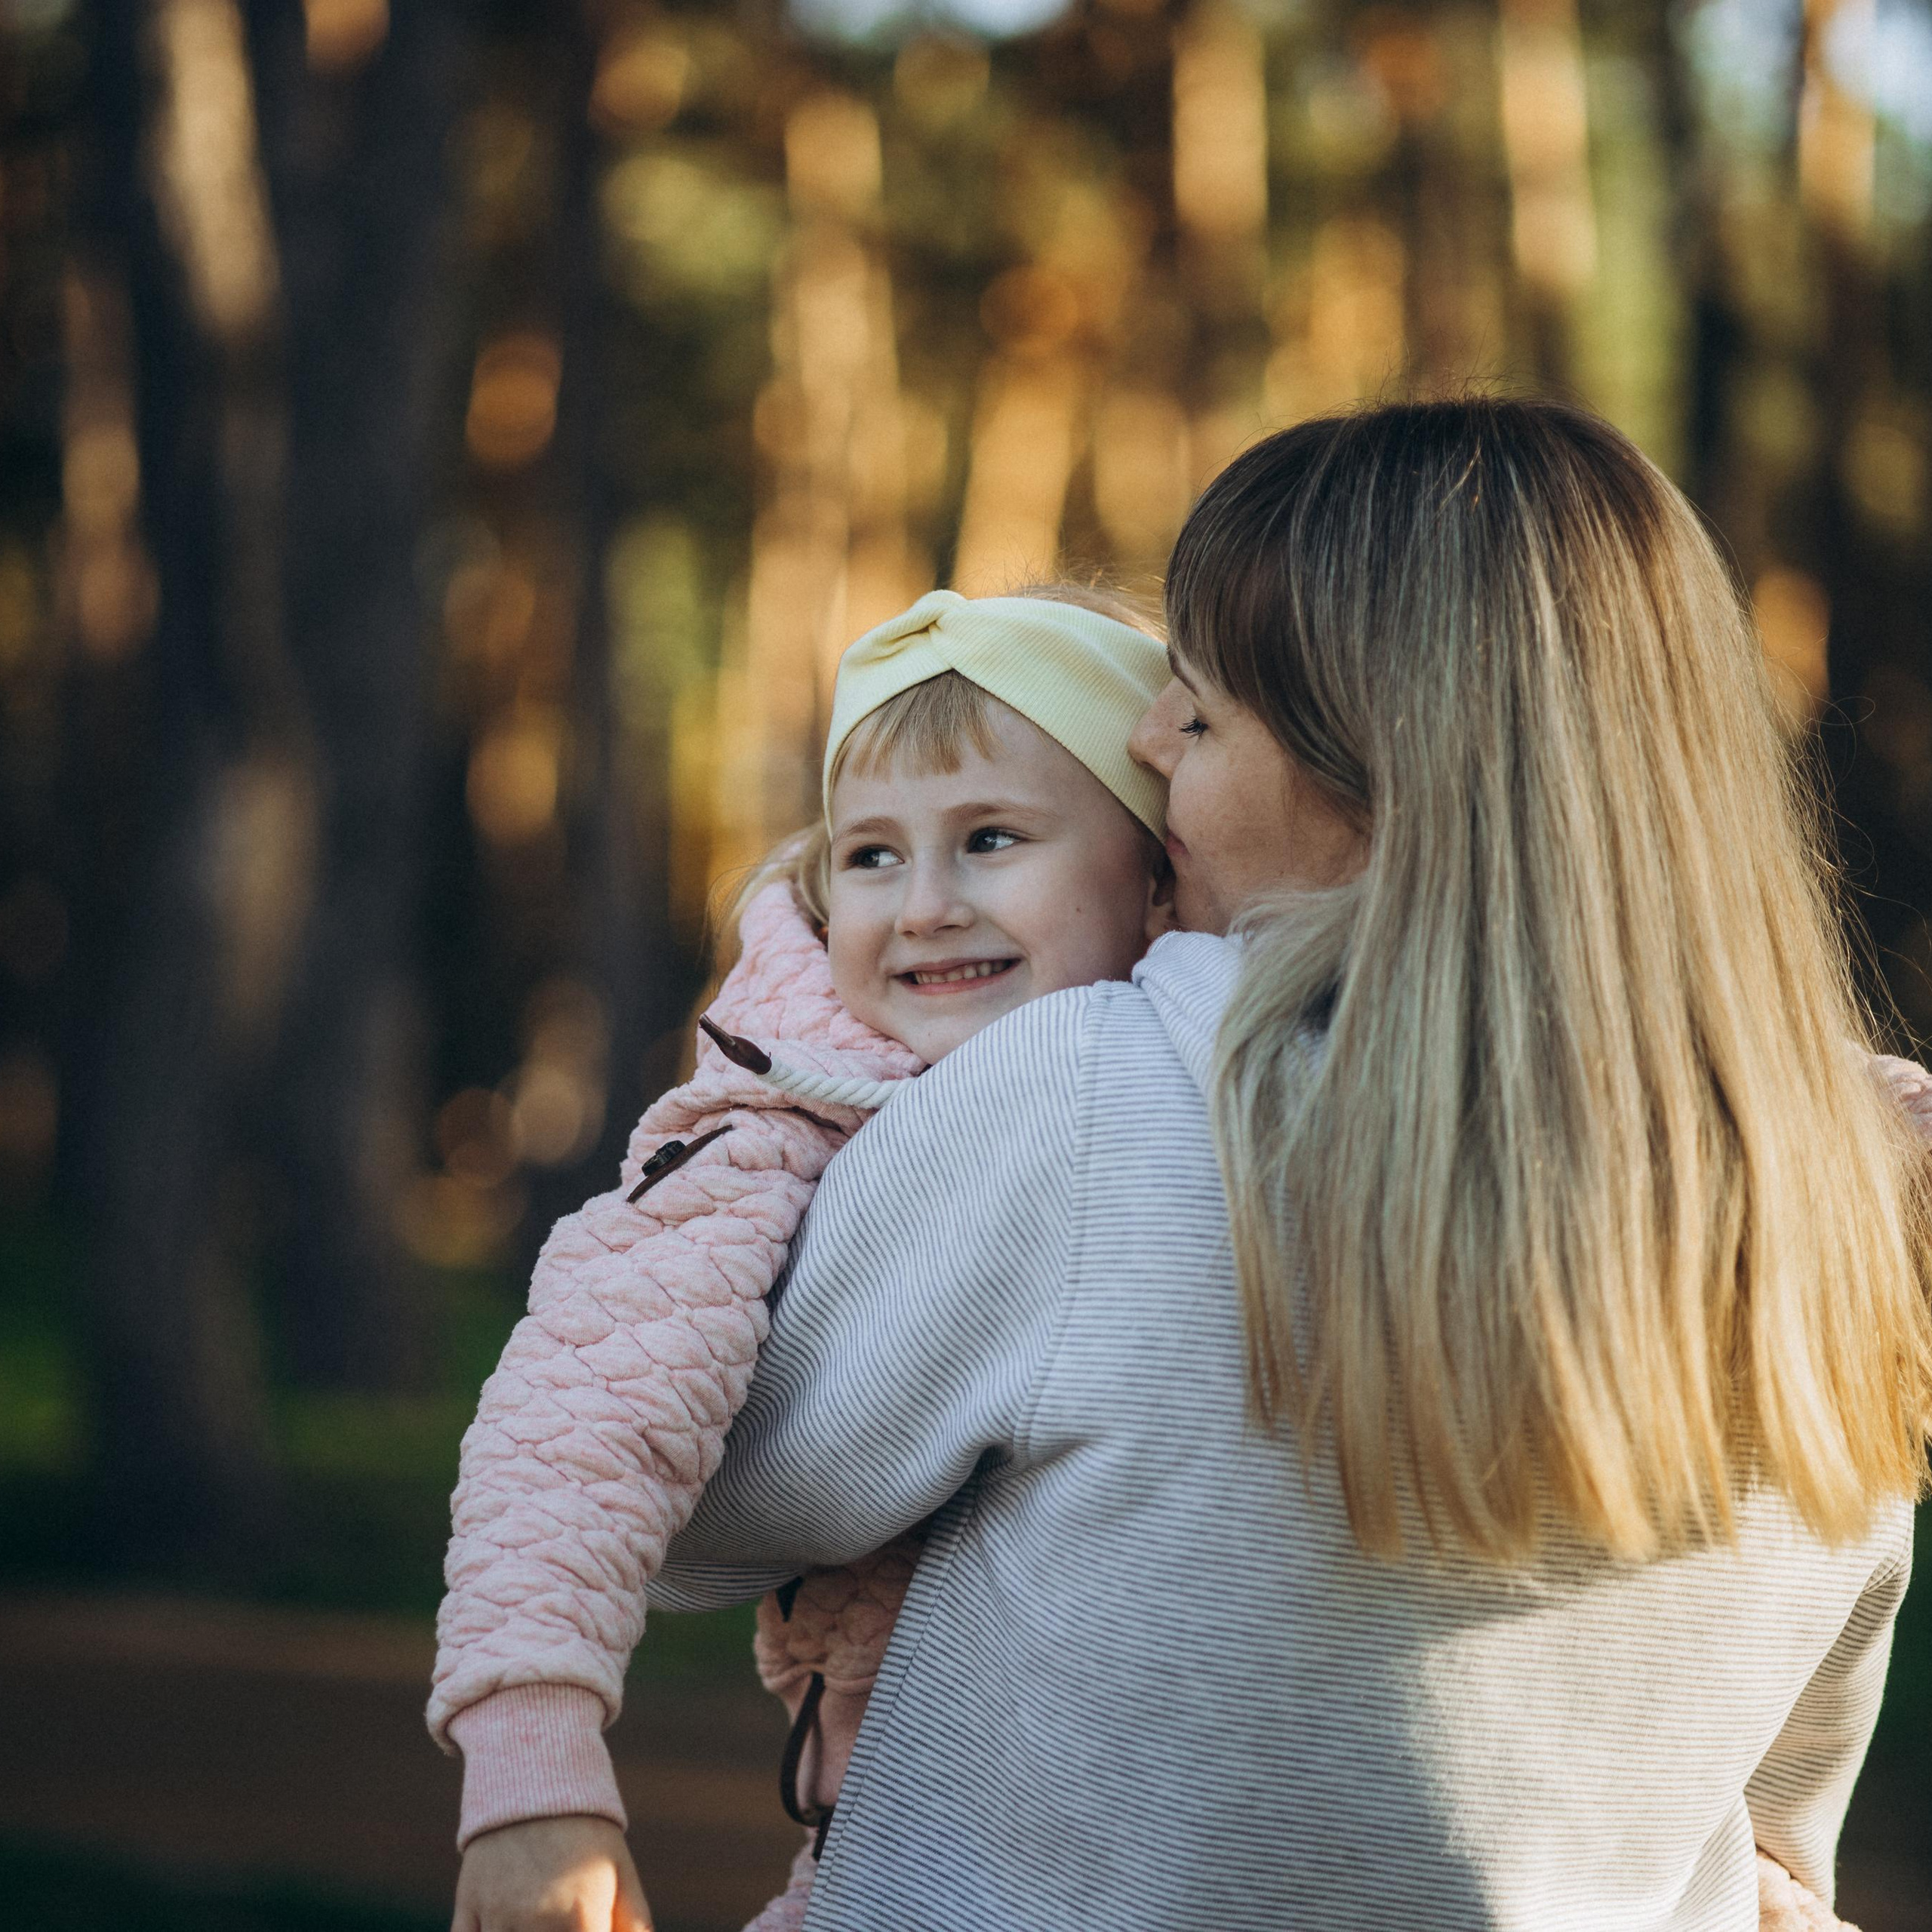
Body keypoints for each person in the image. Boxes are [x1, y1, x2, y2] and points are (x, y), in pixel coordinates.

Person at [616, 399, 1930, 1930]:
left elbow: (704, 1500)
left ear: (1376, 769)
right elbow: (1785, 1787)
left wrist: (781, 1094)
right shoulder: (1851, 1173)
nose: (1145, 739)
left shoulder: (1101, 1097)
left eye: (1200, 711)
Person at [432, 584, 1174, 1932]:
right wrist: (533, 1762)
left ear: (1155, 872)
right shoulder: (778, 1124)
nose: (926, 906)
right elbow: (581, 1408)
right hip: (899, 1830)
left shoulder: (1197, 1082)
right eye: (872, 856)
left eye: (992, 839)